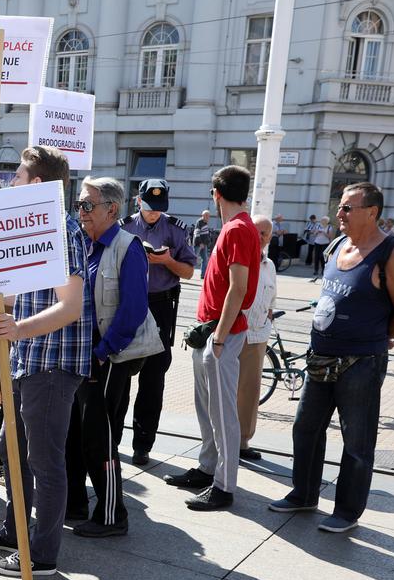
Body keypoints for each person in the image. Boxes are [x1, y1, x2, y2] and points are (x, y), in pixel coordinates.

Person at [0, 145, 92, 578]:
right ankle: (14, 531)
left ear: (36, 184)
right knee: (9, 449)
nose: (12, 182)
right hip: (30, 360)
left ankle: (41, 555)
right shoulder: (38, 229)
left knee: (44, 460)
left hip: (52, 365)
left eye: (17, 176)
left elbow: (70, 306)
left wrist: (18, 329)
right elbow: (30, 295)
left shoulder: (61, 230)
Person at [270, 182, 394, 532]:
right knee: (305, 428)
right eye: (339, 206)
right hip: (321, 357)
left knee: (357, 440)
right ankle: (303, 493)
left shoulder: (390, 254)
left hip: (361, 364)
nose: (339, 213)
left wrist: (381, 338)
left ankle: (347, 512)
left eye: (347, 207)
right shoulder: (337, 245)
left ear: (372, 212)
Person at [65, 177, 160, 537]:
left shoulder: (127, 246)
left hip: (107, 359)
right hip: (81, 357)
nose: (81, 212)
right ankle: (75, 502)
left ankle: (110, 514)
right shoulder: (84, 244)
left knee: (99, 438)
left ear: (112, 209)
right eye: (80, 205)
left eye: (88, 205)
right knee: (74, 432)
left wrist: (103, 353)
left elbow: (133, 309)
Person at [165, 165, 260, 511]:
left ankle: (224, 485)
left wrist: (219, 338)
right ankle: (208, 468)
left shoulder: (237, 229)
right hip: (214, 330)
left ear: (216, 193)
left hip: (222, 333)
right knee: (209, 409)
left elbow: (238, 288)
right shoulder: (238, 227)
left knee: (222, 415)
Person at [118, 178, 198, 466]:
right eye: (149, 207)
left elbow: (189, 271)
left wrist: (166, 262)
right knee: (120, 374)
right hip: (130, 303)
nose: (153, 213)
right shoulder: (125, 226)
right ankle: (113, 438)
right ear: (138, 201)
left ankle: (142, 444)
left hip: (162, 304)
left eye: (158, 208)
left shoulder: (175, 229)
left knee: (153, 379)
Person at [237, 215, 278, 462]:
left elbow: (272, 296)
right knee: (227, 390)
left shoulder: (270, 265)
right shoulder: (241, 257)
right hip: (235, 331)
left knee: (250, 392)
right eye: (257, 231)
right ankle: (223, 439)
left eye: (265, 234)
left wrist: (269, 314)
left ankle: (243, 442)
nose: (261, 237)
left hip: (258, 334)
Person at [192, 209, 217, 276]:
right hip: (199, 244)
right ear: (203, 215)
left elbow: (205, 234)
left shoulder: (205, 223)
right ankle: (188, 272)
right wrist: (200, 243)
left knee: (205, 259)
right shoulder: (199, 222)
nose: (208, 217)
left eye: (209, 216)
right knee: (194, 258)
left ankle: (203, 275)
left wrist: (206, 242)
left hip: (204, 244)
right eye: (206, 215)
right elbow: (196, 233)